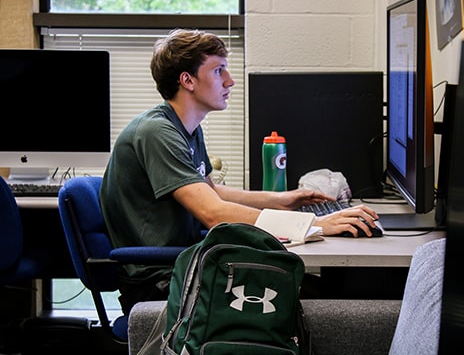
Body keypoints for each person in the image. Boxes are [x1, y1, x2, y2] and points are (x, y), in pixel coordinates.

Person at [99, 28, 380, 315]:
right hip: (164, 281)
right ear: (187, 80)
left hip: (188, 264)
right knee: (318, 299)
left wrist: (282, 200)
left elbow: (211, 191)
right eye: (219, 70)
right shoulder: (157, 132)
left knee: (317, 290)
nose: (230, 81)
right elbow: (213, 213)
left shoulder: (185, 128)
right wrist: (311, 225)